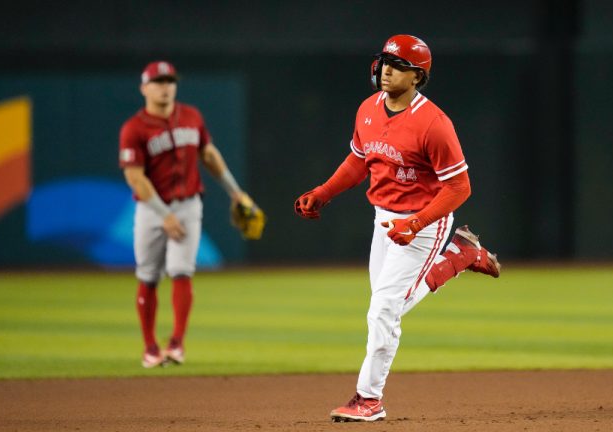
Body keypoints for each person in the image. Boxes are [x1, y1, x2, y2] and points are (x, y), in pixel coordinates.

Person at [294, 35, 502, 422]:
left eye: (398, 64)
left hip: (426, 221)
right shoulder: (368, 109)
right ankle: (461, 256)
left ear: (418, 76)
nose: (387, 70)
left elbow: (460, 187)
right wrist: (323, 193)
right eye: (384, 61)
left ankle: (368, 399)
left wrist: (419, 222)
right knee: (388, 308)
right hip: (384, 219)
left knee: (384, 311)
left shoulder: (433, 123)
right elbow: (359, 161)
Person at [119, 60, 261, 368]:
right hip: (150, 207)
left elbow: (208, 156)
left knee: (182, 270)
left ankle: (177, 343)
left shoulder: (191, 117)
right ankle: (149, 347)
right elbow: (135, 177)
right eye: (158, 82)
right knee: (148, 276)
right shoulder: (134, 128)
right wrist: (162, 214)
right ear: (144, 88)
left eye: (170, 81)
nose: (165, 87)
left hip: (187, 204)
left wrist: (235, 192)